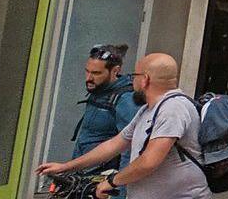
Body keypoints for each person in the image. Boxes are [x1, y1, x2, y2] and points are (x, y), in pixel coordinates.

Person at [35, 53, 208, 199]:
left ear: (145, 80)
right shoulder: (148, 110)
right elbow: (114, 145)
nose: (131, 80)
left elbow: (149, 161)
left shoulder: (173, 109)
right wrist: (66, 167)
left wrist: (112, 181)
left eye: (135, 76)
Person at [72, 43, 140, 161]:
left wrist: (119, 179)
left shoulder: (125, 100)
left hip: (103, 173)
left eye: (96, 73)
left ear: (115, 71)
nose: (89, 78)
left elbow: (130, 146)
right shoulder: (99, 90)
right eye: (87, 71)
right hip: (83, 168)